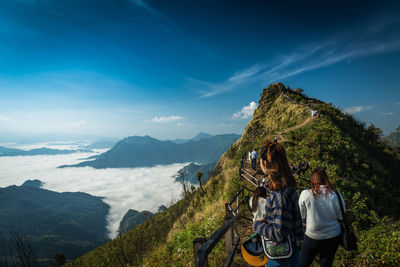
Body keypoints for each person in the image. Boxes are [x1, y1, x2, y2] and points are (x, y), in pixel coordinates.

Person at [254, 140, 304, 266]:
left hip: (281, 258)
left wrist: (257, 225)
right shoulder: (289, 186)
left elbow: (279, 234)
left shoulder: (279, 194)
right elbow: (294, 225)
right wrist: (270, 222)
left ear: (265, 163)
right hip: (292, 253)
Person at [298, 168, 344, 267]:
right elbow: (341, 216)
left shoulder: (306, 194)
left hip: (312, 236)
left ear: (313, 180)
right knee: (326, 264)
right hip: (333, 235)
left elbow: (302, 215)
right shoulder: (336, 194)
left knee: (303, 264)